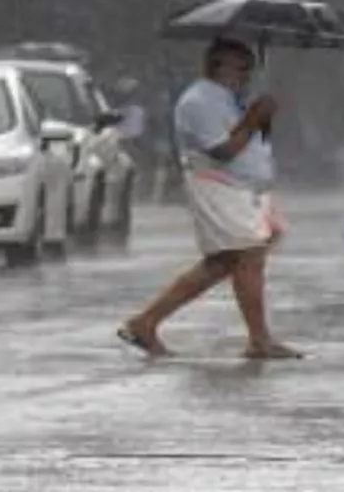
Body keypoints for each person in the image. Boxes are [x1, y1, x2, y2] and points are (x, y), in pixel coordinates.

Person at [117, 38, 301, 360]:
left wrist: (261, 118)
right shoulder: (199, 101)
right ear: (219, 66)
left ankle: (144, 323)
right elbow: (222, 149)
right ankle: (259, 340)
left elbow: (247, 139)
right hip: (220, 186)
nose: (246, 75)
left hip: (243, 189)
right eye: (241, 68)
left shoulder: (230, 99)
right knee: (248, 256)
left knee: (223, 262)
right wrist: (253, 118)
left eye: (250, 68)